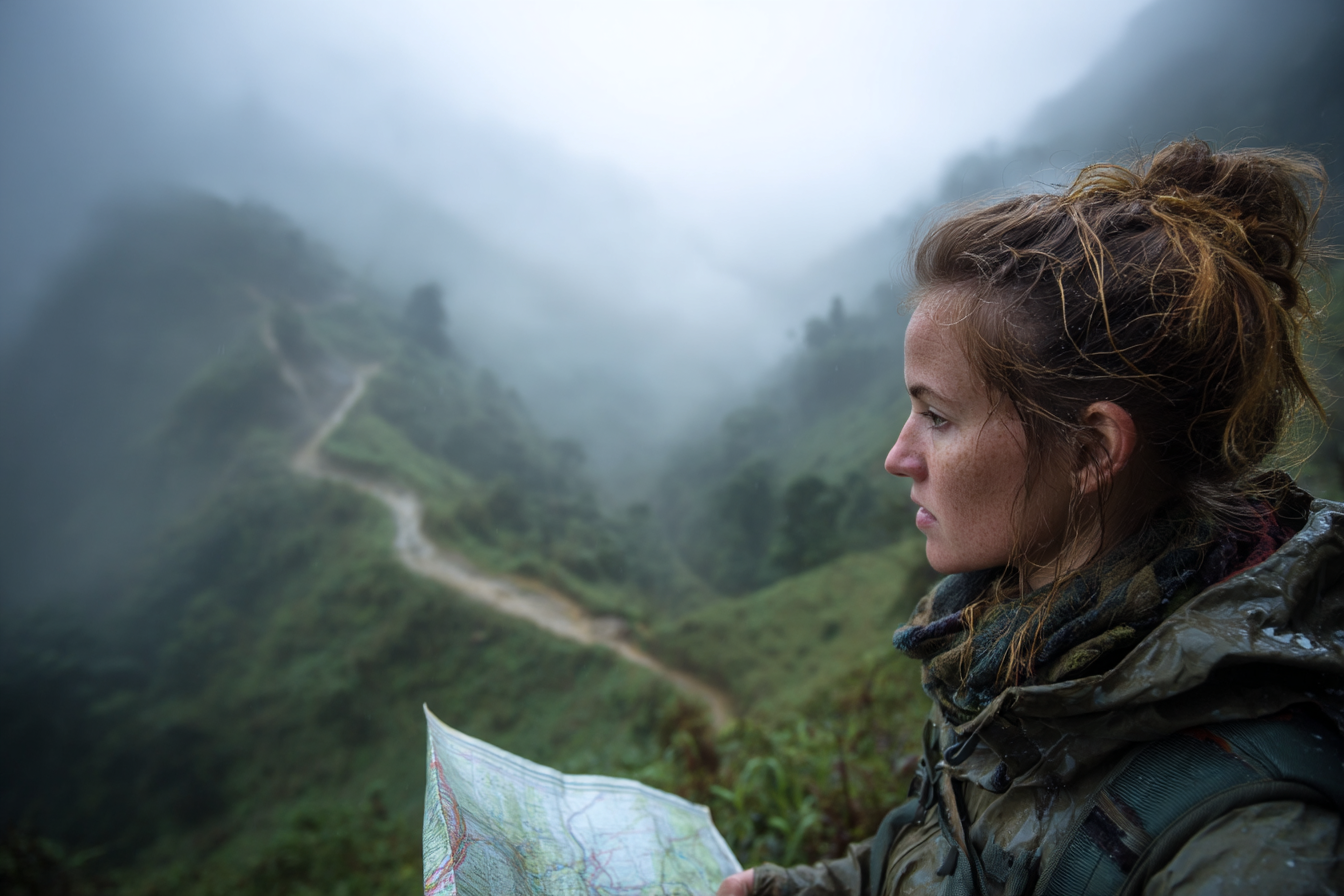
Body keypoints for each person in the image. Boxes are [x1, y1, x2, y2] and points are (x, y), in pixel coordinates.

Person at [717, 139, 1344, 896]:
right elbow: (937, 855)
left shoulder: (1246, 837)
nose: (898, 456)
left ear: (1090, 450)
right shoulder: (1011, 652)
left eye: (937, 417)